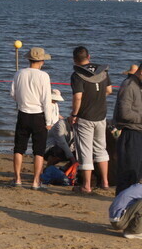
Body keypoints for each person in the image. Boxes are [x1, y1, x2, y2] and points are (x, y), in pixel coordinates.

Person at [68, 46, 112, 193]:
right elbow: (109, 90)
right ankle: (105, 182)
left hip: (85, 116)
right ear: (89, 56)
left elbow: (78, 97)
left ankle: (86, 186)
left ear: (75, 59)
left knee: (85, 150)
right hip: (101, 115)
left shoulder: (77, 75)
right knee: (101, 148)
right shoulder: (103, 71)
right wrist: (98, 100)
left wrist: (74, 114)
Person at [10, 46, 53, 189]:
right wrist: (49, 120)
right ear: (41, 61)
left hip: (23, 114)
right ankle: (36, 181)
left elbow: (13, 94)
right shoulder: (44, 76)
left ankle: (17, 178)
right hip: (38, 115)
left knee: (19, 148)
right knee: (39, 151)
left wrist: (23, 100)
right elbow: (46, 100)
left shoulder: (19, 73)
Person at [114, 63, 142, 194]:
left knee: (136, 175)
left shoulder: (137, 86)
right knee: (128, 176)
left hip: (137, 133)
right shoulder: (129, 85)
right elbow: (124, 113)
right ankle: (121, 211)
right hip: (131, 134)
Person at [45, 89, 74, 162]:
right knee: (50, 140)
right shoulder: (48, 105)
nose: (55, 100)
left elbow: (57, 114)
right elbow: (47, 115)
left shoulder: (56, 105)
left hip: (55, 123)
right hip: (49, 125)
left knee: (58, 140)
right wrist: (48, 124)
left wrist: (62, 118)